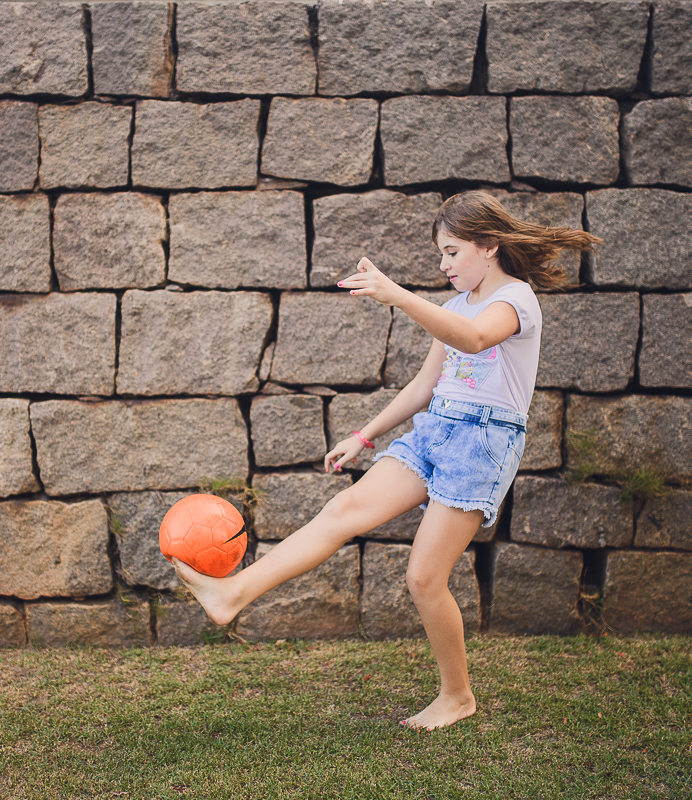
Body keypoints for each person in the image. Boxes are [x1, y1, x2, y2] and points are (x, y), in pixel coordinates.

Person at [172, 191, 601, 730]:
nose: (443, 265)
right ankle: (232, 593)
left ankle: (458, 696)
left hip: (482, 445)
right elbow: (427, 384)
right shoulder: (454, 305)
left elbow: (473, 340)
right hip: (436, 429)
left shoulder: (516, 301)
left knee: (424, 578)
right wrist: (364, 434)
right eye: (440, 255)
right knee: (343, 510)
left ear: (489, 246)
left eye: (451, 252)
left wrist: (397, 295)